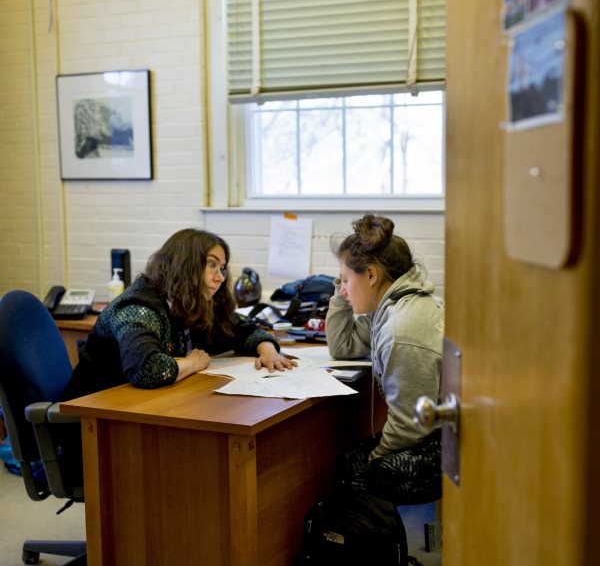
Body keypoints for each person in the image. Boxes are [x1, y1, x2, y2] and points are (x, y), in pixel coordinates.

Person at [63, 228, 294, 400]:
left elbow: (242, 330)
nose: (220, 277)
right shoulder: (137, 307)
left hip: (142, 407)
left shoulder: (190, 303)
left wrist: (268, 351)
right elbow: (146, 369)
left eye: (222, 267)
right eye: (211, 265)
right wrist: (193, 363)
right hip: (93, 418)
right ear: (185, 265)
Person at [326, 214, 444, 505]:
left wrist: (372, 462)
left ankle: (384, 550)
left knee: (360, 476)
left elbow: (409, 427)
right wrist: (342, 292)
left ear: (371, 275)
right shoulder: (389, 306)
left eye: (345, 279)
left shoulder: (400, 326)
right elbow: (343, 346)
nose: (341, 288)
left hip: (450, 445)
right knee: (347, 462)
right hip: (433, 432)